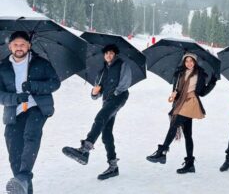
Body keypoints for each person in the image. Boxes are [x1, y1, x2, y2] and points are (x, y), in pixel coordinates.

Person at [0, 31, 60, 194]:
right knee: (14, 153)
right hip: (14, 113)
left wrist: (34, 86)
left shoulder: (41, 63)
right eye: (16, 45)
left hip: (38, 107)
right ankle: (24, 186)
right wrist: (15, 98)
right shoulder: (2, 67)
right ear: (10, 46)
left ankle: (24, 176)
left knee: (31, 135)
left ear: (29, 46)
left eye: (22, 44)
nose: (19, 48)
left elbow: (55, 83)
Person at [62, 44, 132, 180]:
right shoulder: (102, 72)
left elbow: (125, 83)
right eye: (106, 53)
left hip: (119, 97)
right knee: (106, 134)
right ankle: (113, 167)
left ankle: (85, 150)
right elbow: (95, 94)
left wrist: (115, 93)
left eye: (111, 53)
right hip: (107, 101)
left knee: (100, 117)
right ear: (104, 55)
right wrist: (94, 93)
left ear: (115, 54)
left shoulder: (122, 64)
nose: (109, 56)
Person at [146, 53, 217, 174]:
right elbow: (177, 89)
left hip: (191, 101)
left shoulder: (199, 75)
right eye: (187, 61)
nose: (189, 63)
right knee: (188, 134)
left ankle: (162, 152)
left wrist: (212, 82)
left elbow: (202, 92)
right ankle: (190, 164)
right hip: (181, 102)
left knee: (174, 125)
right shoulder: (180, 74)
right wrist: (174, 93)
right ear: (184, 62)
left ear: (195, 62)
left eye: (191, 61)